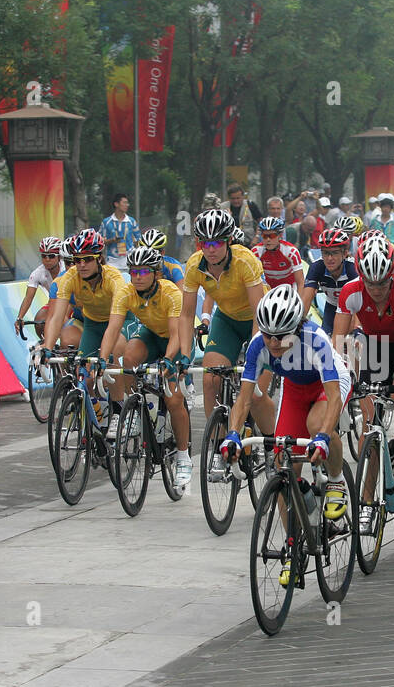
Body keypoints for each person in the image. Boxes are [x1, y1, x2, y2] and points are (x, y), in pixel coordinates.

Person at [220, 285, 353, 532]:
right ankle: (292, 549)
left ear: (297, 328)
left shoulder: (316, 340)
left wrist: (323, 437)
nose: (273, 342)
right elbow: (244, 398)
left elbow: (334, 398)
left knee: (316, 425)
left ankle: (336, 480)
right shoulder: (258, 345)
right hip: (295, 388)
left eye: (281, 336)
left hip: (327, 385)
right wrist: (233, 435)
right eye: (268, 334)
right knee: (284, 462)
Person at [332, 234, 394, 522]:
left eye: (382, 283)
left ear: (392, 276)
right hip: (376, 349)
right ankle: (366, 502)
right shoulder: (350, 291)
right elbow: (339, 341)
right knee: (370, 427)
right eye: (370, 283)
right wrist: (344, 377)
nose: (375, 289)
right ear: (361, 276)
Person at [180, 209, 274, 429]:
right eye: (205, 244)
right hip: (227, 321)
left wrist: (253, 355)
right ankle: (219, 447)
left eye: (217, 243)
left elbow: (258, 314)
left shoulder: (245, 261)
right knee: (210, 380)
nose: (211, 250)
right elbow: (185, 315)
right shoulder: (194, 266)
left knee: (255, 395)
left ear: (229, 241)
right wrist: (184, 355)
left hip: (260, 321)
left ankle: (271, 446)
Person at [110, 244, 194, 488]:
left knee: (173, 399)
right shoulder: (126, 293)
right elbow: (113, 329)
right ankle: (136, 407)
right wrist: (103, 359)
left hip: (174, 340)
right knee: (128, 358)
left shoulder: (170, 292)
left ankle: (183, 456)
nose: (137, 277)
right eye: (133, 271)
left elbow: (177, 334)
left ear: (156, 273)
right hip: (151, 335)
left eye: (143, 272)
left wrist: (169, 359)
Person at [301, 228, 358, 336]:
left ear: (345, 253)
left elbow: (359, 305)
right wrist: (297, 324)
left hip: (353, 309)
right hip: (331, 308)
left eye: (335, 253)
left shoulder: (353, 269)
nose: (329, 258)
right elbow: (306, 300)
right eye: (325, 253)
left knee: (349, 341)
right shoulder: (317, 267)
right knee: (327, 342)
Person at [16, 236, 67, 340]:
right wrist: (20, 318)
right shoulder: (37, 273)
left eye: (51, 256)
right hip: (53, 302)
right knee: (39, 320)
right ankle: (47, 344)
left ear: (59, 257)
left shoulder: (66, 269)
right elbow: (28, 298)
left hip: (70, 302)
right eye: (44, 256)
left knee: (63, 321)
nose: (47, 260)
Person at [252, 216, 304, 292]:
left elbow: (300, 283)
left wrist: (300, 302)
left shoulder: (291, 252)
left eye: (272, 236)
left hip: (289, 288)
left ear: (280, 235)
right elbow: (254, 281)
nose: (268, 240)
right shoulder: (256, 252)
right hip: (268, 288)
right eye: (265, 236)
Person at [99, 193, 140, 269]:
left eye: (127, 203)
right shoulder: (107, 222)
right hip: (112, 262)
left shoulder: (131, 221)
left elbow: (138, 240)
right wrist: (112, 240)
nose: (127, 205)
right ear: (116, 204)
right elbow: (100, 241)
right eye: (124, 203)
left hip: (129, 261)